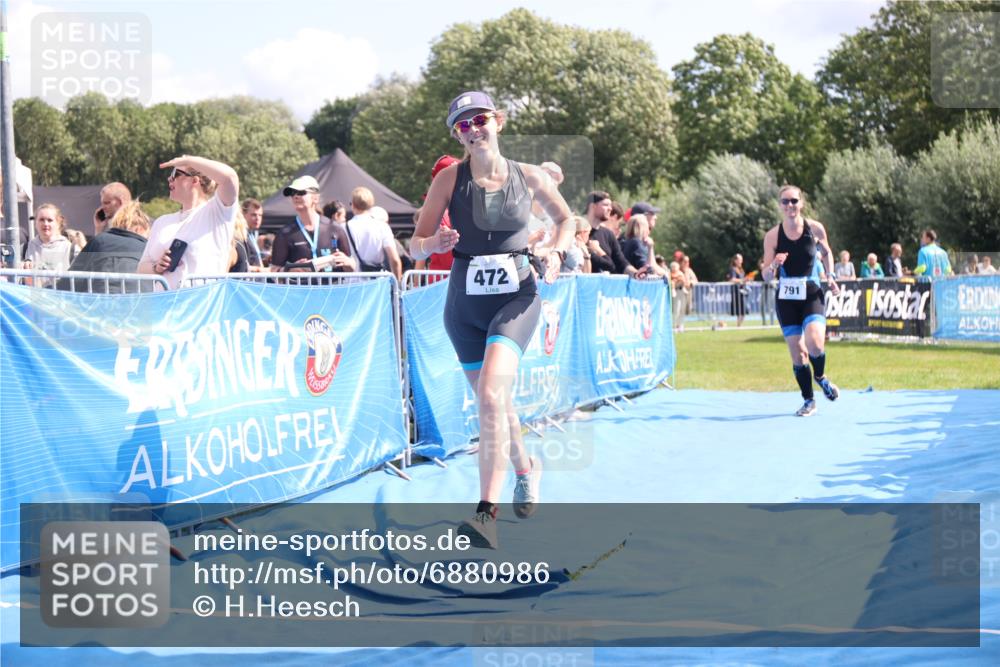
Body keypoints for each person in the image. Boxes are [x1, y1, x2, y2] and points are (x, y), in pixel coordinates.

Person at [409, 90, 574, 548]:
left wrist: (556, 250)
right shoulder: (448, 180)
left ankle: (486, 515)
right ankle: (526, 468)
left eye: (479, 119)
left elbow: (566, 219)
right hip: (463, 308)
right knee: (495, 404)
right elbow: (413, 244)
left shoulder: (530, 176)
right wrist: (432, 245)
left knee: (489, 394)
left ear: (497, 122)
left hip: (516, 300)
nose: (473, 129)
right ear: (457, 136)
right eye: (463, 125)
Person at [761, 185, 841, 417]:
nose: (790, 206)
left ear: (801, 203)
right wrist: (775, 264)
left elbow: (826, 253)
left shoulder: (815, 229)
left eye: (794, 201)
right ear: (780, 205)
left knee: (815, 344)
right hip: (786, 299)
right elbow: (766, 275)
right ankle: (809, 401)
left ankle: (821, 377)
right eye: (785, 202)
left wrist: (831, 276)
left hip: (811, 292)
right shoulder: (773, 236)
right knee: (798, 353)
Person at [138, 155, 240, 290]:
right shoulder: (162, 222)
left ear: (194, 180)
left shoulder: (217, 212)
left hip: (201, 306)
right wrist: (157, 267)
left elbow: (230, 178)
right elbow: (141, 269)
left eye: (175, 174)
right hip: (164, 304)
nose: (170, 178)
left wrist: (188, 160)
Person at [60, 201, 150, 293]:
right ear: (140, 229)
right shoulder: (148, 248)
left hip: (101, 303)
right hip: (140, 304)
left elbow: (69, 281)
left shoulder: (100, 240)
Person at [270, 175, 354, 273]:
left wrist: (347, 262)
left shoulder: (334, 228)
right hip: (301, 288)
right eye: (292, 193)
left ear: (315, 198)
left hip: (332, 288)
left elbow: (352, 267)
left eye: (301, 192)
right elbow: (274, 271)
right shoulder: (285, 233)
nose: (296, 196)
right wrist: (289, 270)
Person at [345, 186, 402, 281]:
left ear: (353, 205)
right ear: (371, 204)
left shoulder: (344, 227)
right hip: (377, 282)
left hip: (353, 282)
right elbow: (395, 260)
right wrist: (397, 284)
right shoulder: (382, 226)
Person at [22, 203, 76, 285]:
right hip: (33, 296)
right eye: (41, 220)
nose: (45, 224)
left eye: (50, 220)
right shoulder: (26, 247)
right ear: (35, 222)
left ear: (58, 223)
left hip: (59, 296)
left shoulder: (70, 248)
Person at [585, 191, 636, 276]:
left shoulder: (608, 234)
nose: (610, 209)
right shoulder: (578, 231)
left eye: (610, 206)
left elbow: (621, 263)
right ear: (593, 206)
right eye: (605, 205)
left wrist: (636, 273)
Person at [241, 198, 265, 269]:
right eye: (254, 215)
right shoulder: (240, 236)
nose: (258, 218)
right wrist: (259, 270)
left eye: (260, 215)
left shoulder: (251, 234)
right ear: (243, 214)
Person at [727, 253, 748, 327]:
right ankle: (738, 325)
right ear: (735, 261)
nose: (741, 261)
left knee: (743, 310)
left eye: (741, 260)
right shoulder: (733, 269)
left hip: (743, 292)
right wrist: (742, 280)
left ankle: (739, 325)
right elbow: (732, 279)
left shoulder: (741, 269)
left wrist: (747, 279)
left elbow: (743, 279)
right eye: (740, 260)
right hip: (737, 292)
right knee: (740, 311)